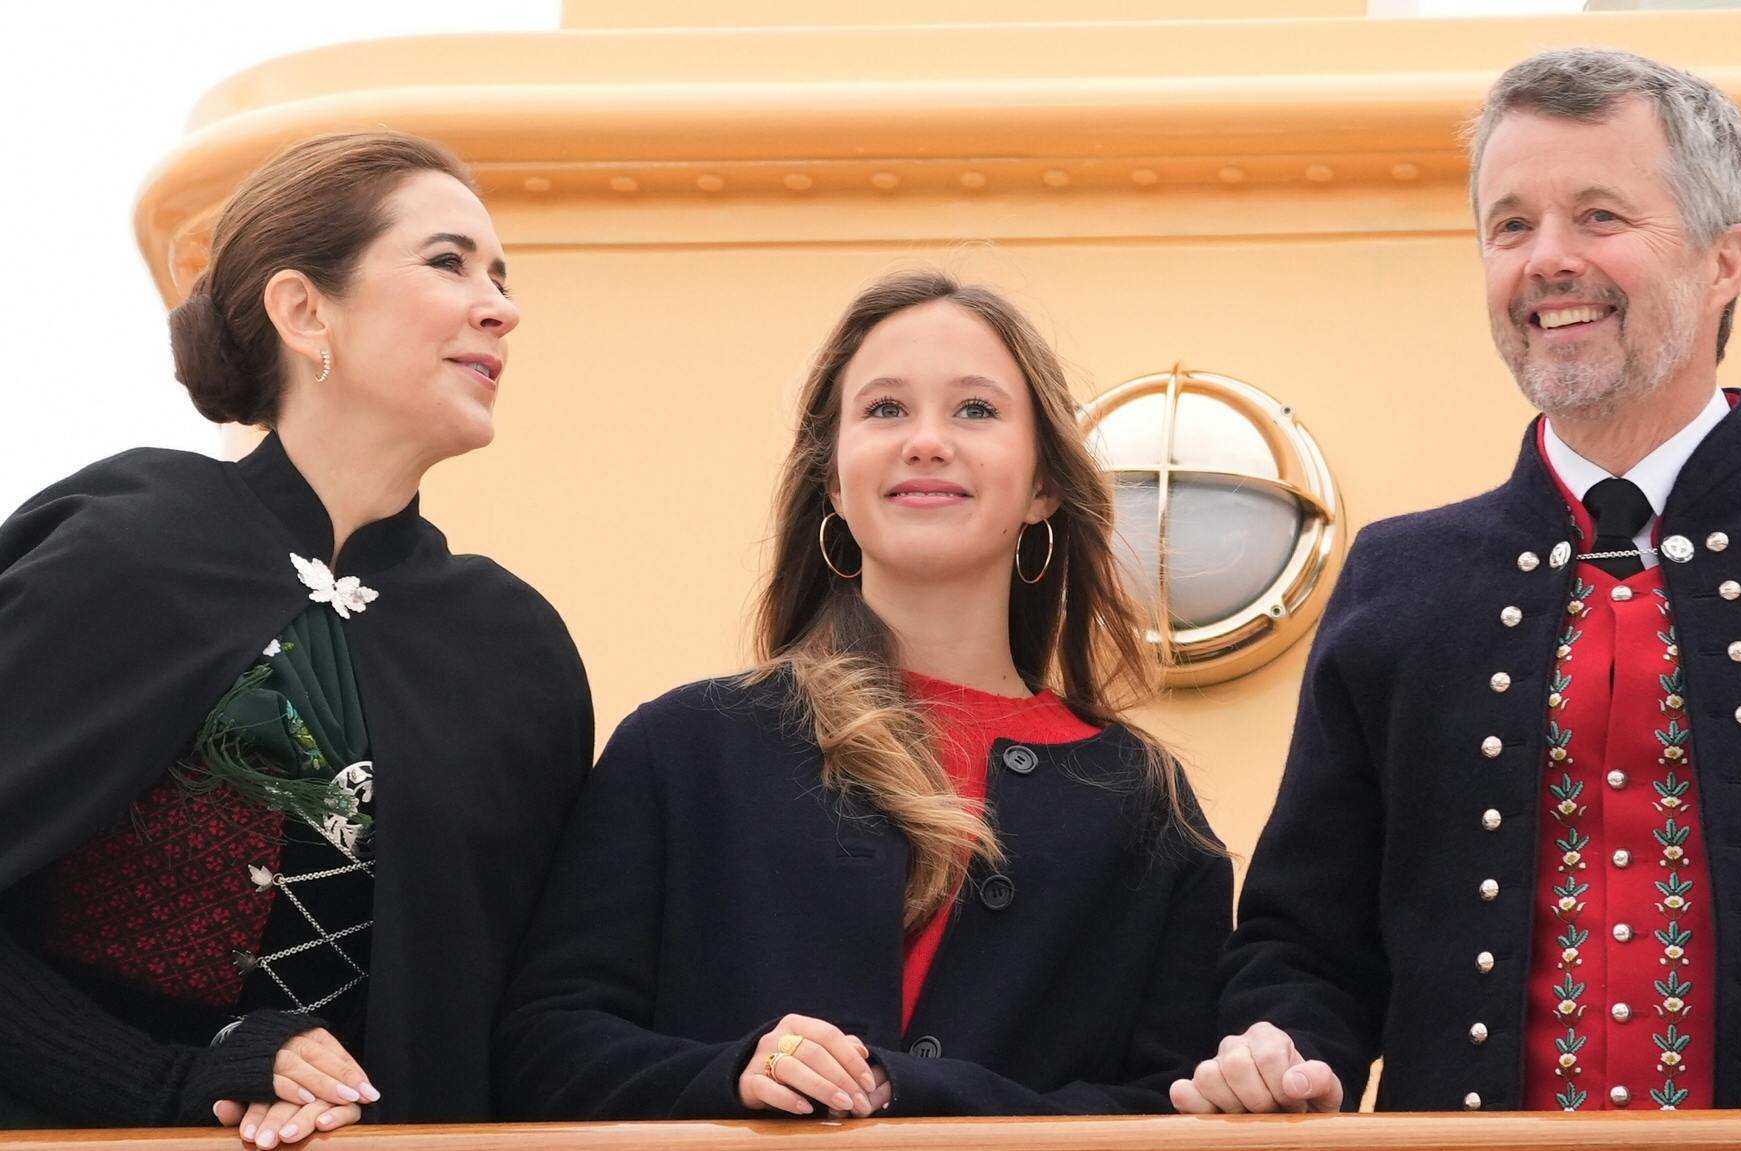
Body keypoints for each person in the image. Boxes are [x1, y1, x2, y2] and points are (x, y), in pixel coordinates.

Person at [1175, 47, 1741, 1116]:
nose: (1545, 259)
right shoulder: (1397, 577)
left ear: (1724, 260)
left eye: (1596, 216)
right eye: (1508, 225)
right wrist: (1278, 1044)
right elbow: (1303, 940)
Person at [495, 270, 1230, 1119]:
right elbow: (542, 1045)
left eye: (976, 410)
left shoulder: (1146, 804)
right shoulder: (683, 746)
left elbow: (1174, 1108)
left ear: (1043, 487)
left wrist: (922, 1093)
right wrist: (733, 1075)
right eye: (884, 409)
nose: (925, 441)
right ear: (836, 485)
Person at [0, 132, 593, 1144]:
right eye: (449, 262)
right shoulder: (132, 543)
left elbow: (538, 1005)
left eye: (501, 274)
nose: (502, 306)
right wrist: (166, 1080)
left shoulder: (513, 649)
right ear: (302, 308)